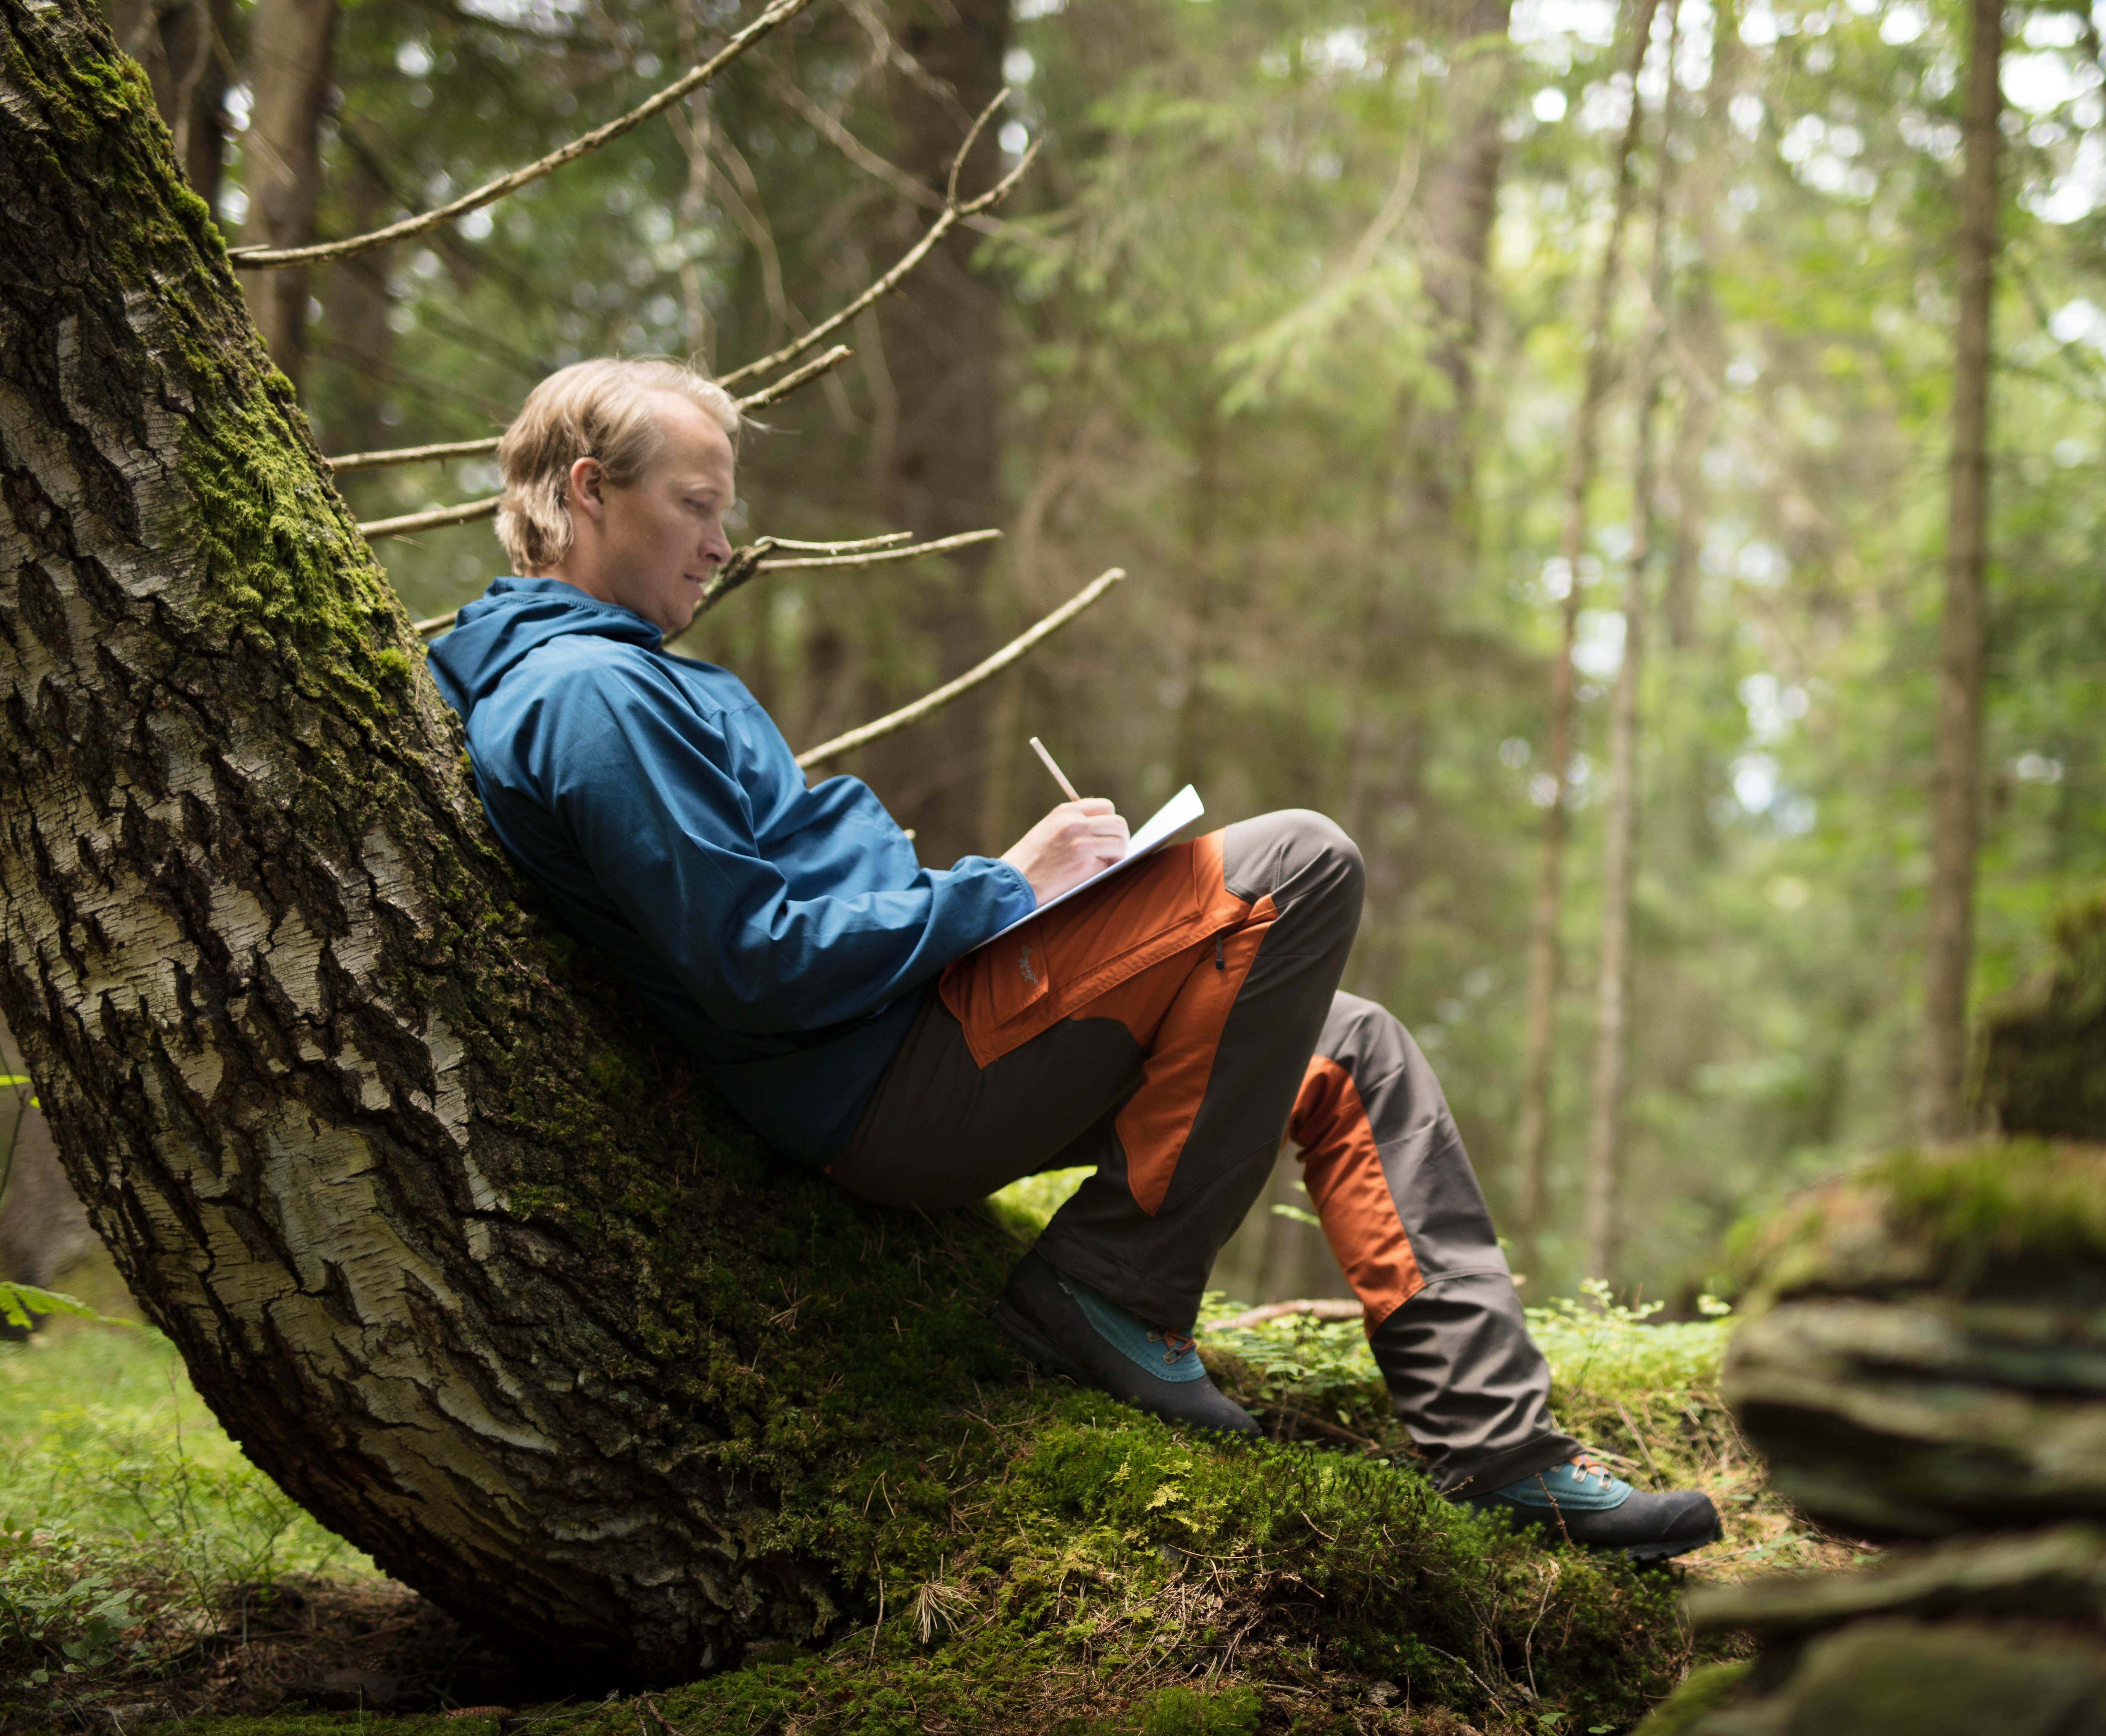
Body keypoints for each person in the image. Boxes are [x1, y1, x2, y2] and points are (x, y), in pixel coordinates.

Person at [427, 357, 1722, 1564]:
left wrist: (1005, 895)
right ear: (588, 493)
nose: (722, 542)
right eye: (696, 505)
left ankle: (1500, 1452)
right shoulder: (587, 697)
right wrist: (1008, 889)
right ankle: (1112, 1291)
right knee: (1296, 861)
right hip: (882, 1078)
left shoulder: (617, 680)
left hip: (917, 1030)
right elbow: (755, 958)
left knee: (1345, 1044)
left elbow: (782, 915)